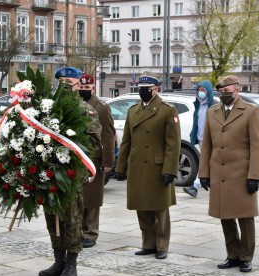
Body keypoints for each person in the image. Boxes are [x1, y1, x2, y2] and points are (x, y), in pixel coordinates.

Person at [39, 67, 102, 276]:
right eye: (62, 80)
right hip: (49, 171)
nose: (65, 85)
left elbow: (94, 141)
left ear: (78, 84)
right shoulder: (48, 108)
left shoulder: (86, 110)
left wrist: (71, 143)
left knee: (72, 218)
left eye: (70, 81)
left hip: (72, 172)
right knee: (51, 215)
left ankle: (71, 264)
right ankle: (58, 261)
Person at [198, 75, 259, 273]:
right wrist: (204, 173)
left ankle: (246, 256)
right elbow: (207, 145)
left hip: (242, 173)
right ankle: (232, 254)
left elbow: (258, 147)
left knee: (245, 216)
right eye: (221, 92)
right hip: (219, 172)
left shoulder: (251, 112)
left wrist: (254, 176)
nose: (223, 95)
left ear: (237, 90)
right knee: (224, 215)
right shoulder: (213, 112)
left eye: (227, 91)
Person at [114, 75, 181, 260]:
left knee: (160, 209)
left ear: (156, 90)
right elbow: (126, 141)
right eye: (141, 89)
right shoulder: (133, 110)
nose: (143, 92)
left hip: (157, 167)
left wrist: (170, 169)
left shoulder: (167, 110)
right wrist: (121, 167)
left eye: (147, 89)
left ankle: (162, 245)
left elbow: (173, 144)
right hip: (137, 166)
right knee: (141, 207)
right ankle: (148, 244)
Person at [78, 74, 116, 248]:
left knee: (92, 197)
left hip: (94, 157)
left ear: (93, 88)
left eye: (87, 88)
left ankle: (90, 233)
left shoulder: (101, 107)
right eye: (82, 87)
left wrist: (108, 161)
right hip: (77, 156)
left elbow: (108, 135)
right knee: (78, 196)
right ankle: (78, 230)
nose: (83, 91)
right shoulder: (74, 103)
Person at [183, 80, 215, 198]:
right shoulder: (198, 105)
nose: (200, 92)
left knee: (205, 162)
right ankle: (200, 185)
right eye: (199, 90)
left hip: (210, 140)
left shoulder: (213, 106)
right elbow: (196, 122)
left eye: (203, 90)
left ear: (208, 92)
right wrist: (193, 135)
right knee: (206, 162)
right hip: (201, 139)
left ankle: (195, 186)